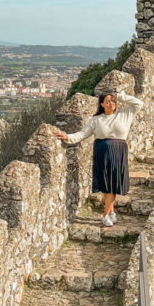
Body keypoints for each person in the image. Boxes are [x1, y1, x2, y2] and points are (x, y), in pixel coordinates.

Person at [54, 89, 143, 226]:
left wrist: (120, 96)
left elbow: (138, 103)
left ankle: (110, 213)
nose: (111, 104)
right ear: (101, 104)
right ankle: (107, 215)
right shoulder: (96, 120)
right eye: (107, 102)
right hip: (102, 153)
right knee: (107, 186)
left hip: (118, 152)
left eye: (112, 101)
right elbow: (83, 134)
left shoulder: (124, 114)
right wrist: (67, 137)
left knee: (113, 185)